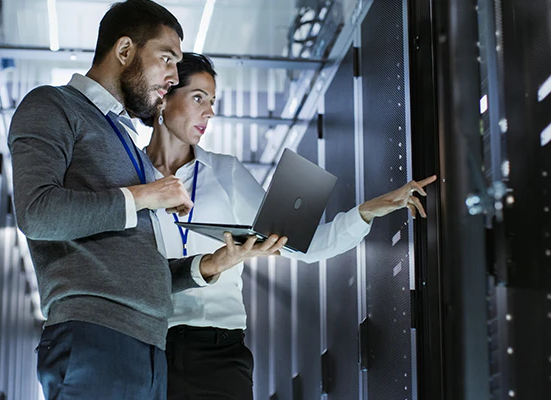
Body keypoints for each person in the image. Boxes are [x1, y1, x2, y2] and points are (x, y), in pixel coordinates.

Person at [7, 2, 284, 399]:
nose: (172, 77)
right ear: (124, 51)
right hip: (95, 336)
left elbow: (139, 268)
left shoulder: (128, 147)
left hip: (150, 348)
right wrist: (148, 194)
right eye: (166, 58)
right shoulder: (53, 105)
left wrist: (210, 265)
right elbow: (38, 212)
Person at [143, 52, 437, 399]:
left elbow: (304, 246)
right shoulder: (130, 176)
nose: (210, 112)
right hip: (147, 347)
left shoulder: (227, 172)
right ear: (164, 97)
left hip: (219, 354)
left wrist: (367, 211)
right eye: (198, 98)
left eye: (212, 101)